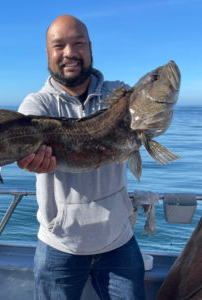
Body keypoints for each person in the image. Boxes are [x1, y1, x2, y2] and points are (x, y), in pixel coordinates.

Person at [17, 14, 145, 300]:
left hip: (118, 242)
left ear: (90, 48)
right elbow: (18, 143)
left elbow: (149, 124)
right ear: (48, 54)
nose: (70, 53)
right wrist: (28, 160)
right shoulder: (36, 104)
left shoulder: (120, 94)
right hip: (59, 246)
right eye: (59, 46)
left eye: (78, 44)